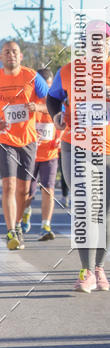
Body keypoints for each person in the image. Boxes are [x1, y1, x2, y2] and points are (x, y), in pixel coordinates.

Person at [47, 21, 110, 292]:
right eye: (92, 38)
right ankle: (86, 271)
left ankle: (99, 268)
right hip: (75, 145)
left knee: (105, 211)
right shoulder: (68, 71)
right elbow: (54, 98)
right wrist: (56, 115)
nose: (98, 42)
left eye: (103, 38)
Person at [0, 41, 49, 250]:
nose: (11, 55)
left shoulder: (32, 77)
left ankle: (18, 224)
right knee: (9, 186)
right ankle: (11, 230)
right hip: (5, 140)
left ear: (21, 56)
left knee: (24, 189)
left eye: (14, 52)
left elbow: (52, 104)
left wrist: (37, 106)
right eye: (6, 52)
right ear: (1, 57)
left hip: (28, 140)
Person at [20, 68, 61, 241]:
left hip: (50, 153)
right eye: (45, 87)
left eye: (50, 86)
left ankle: (45, 225)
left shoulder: (55, 101)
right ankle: (25, 213)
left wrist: (60, 138)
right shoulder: (28, 98)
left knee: (48, 189)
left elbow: (63, 119)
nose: (47, 91)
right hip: (30, 154)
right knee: (27, 193)